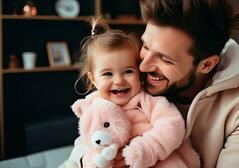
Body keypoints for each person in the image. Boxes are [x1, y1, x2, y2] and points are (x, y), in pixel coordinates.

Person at [137, 0, 239, 168]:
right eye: (146, 46)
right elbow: (95, 123)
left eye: (165, 59)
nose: (143, 66)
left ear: (206, 65)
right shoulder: (134, 72)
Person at [59, 18, 200, 168]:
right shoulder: (92, 106)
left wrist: (145, 149)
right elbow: (87, 141)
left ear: (139, 72)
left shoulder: (149, 100)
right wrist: (92, 160)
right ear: (93, 79)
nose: (119, 81)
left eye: (128, 71)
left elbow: (172, 126)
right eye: (107, 74)